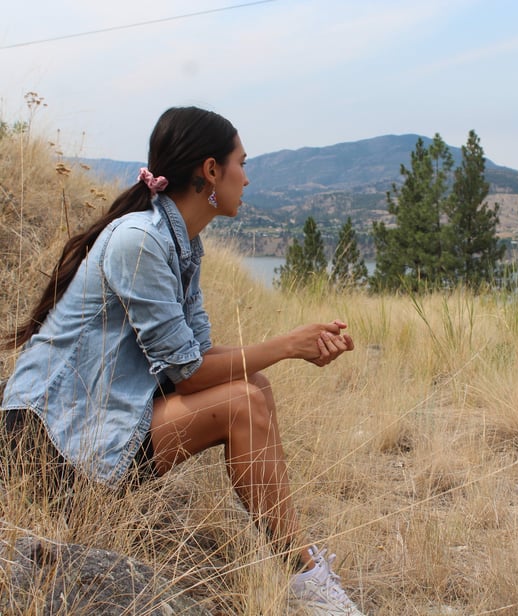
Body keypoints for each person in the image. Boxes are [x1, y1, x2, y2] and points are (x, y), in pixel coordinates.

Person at [1, 106, 367, 615]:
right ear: (211, 171)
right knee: (243, 401)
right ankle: (303, 575)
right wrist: (288, 345)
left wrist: (296, 349)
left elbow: (192, 359)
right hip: (49, 442)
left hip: (93, 426)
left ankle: (301, 568)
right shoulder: (140, 241)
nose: (248, 174)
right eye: (242, 161)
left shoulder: (181, 245)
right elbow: (191, 377)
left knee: (253, 386)